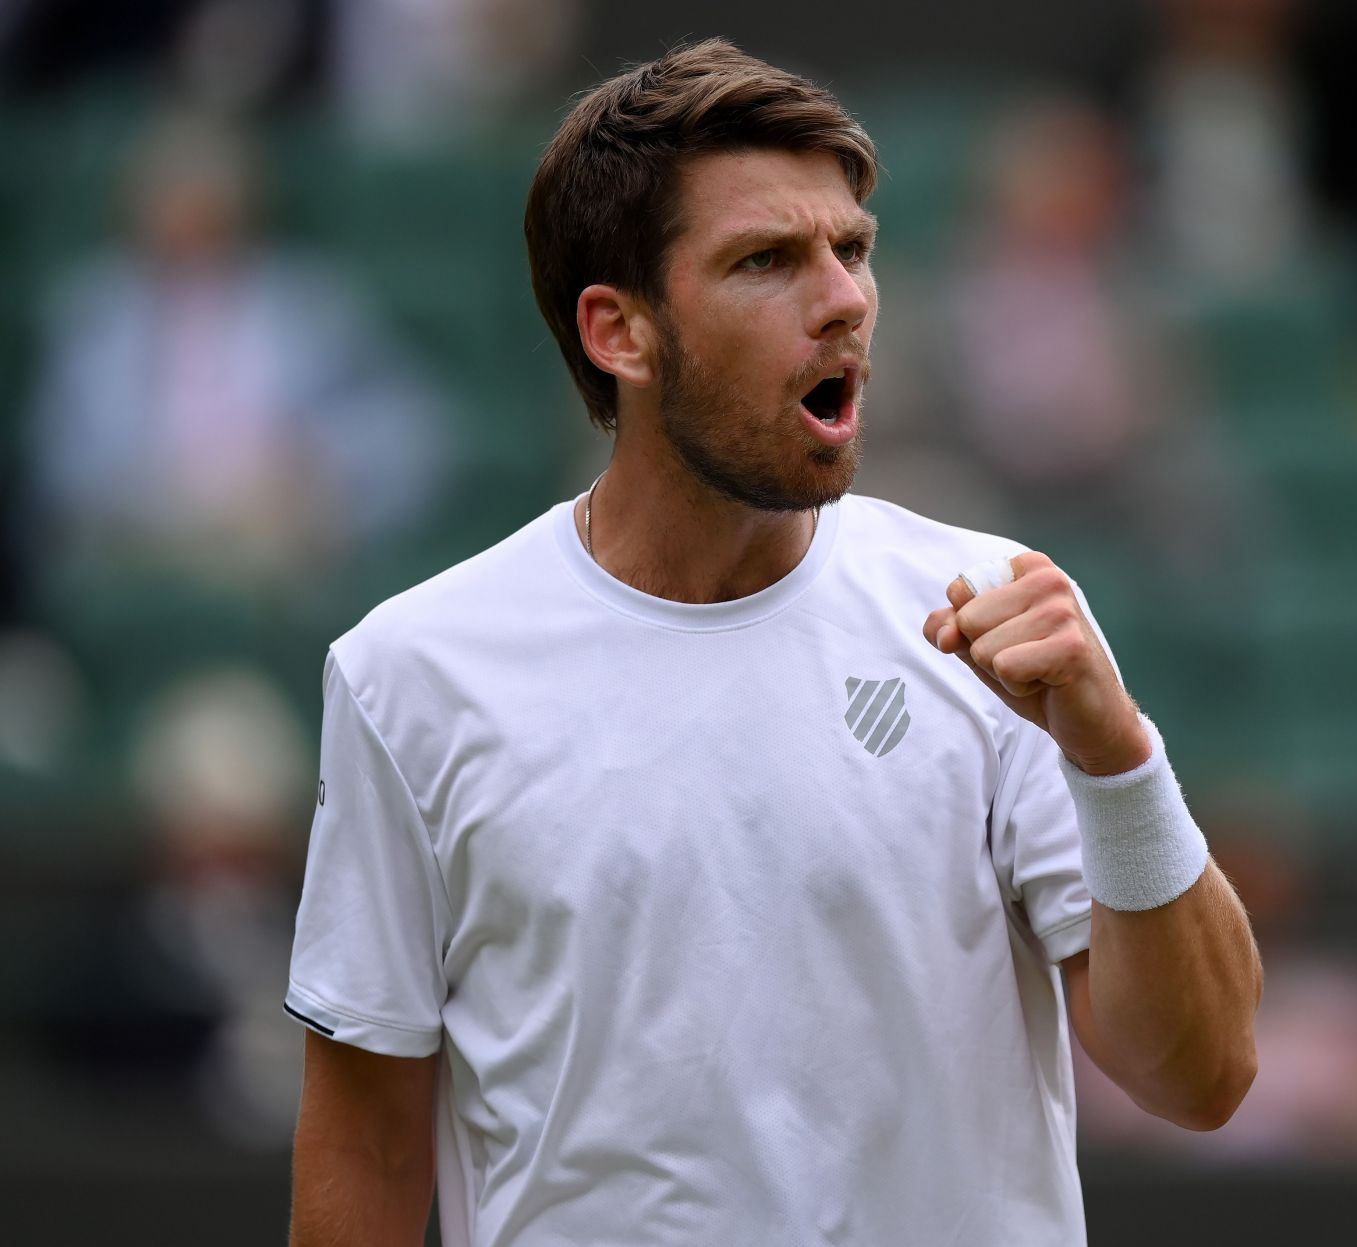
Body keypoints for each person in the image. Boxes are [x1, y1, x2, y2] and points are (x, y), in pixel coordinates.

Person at [283, 39, 1262, 1247]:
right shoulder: (409, 674)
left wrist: (1118, 757)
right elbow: (369, 1136)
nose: (844, 297)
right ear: (619, 334)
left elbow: (1201, 1075)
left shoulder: (993, 615)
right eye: (768, 260)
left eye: (852, 248)